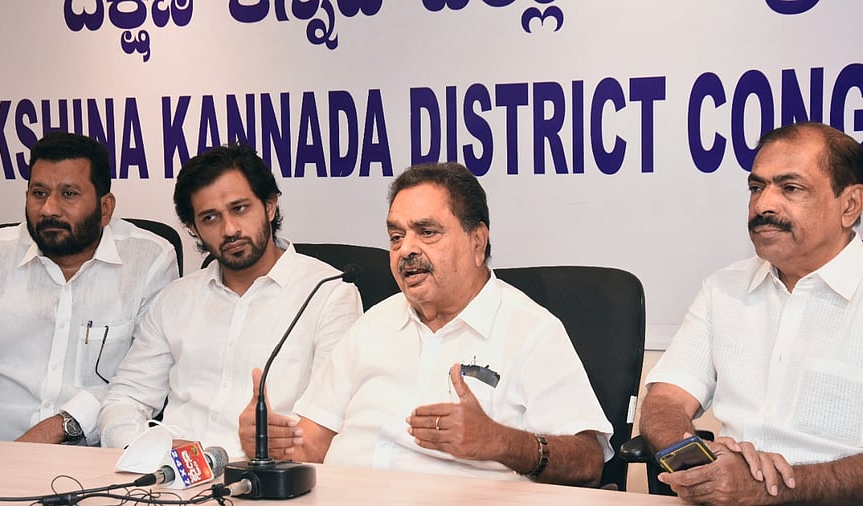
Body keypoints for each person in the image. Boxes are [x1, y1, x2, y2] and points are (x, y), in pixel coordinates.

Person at [240, 162, 613, 485]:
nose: (406, 250)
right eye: (396, 236)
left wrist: (501, 442)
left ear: (477, 242)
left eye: (427, 232)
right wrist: (275, 441)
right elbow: (314, 443)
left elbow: (588, 462)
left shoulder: (530, 330)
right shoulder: (373, 325)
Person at [640, 122, 863, 505]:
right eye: (756, 187)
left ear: (849, 206)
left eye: (791, 188)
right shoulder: (723, 289)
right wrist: (700, 466)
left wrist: (771, 488)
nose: (763, 205)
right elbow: (665, 402)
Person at [98, 144, 363, 458]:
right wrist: (149, 450)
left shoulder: (328, 293)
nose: (230, 229)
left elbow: (330, 423)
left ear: (270, 206)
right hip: (170, 478)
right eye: (210, 218)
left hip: (269, 479)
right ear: (193, 229)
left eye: (240, 208)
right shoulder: (176, 300)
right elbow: (124, 399)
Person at [0, 131, 179, 444]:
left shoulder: (149, 260)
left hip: (89, 456)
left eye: (69, 194)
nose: (49, 209)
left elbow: (146, 378)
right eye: (38, 193)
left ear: (105, 208)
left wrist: (58, 427)